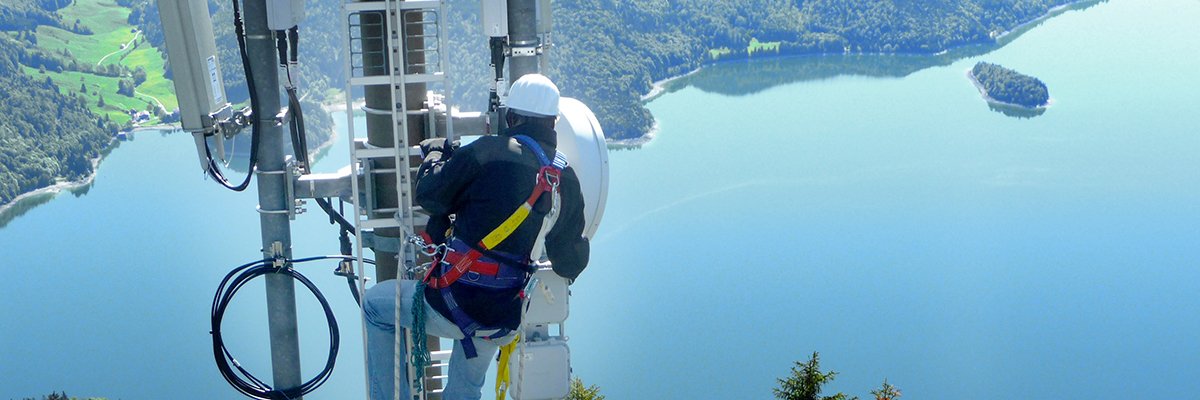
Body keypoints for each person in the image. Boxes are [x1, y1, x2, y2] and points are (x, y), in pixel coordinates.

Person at [364, 73, 590, 400]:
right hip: (503, 315)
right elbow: (569, 263)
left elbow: (431, 196)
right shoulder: (563, 177)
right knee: (466, 386)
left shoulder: (486, 152)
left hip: (454, 301)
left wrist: (434, 155)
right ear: (553, 122)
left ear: (511, 118)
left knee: (374, 306)